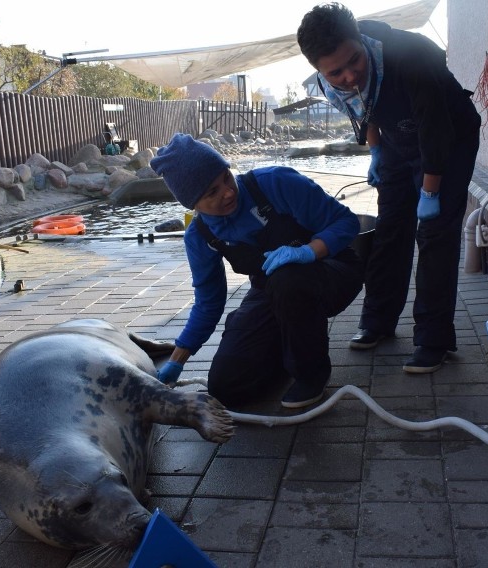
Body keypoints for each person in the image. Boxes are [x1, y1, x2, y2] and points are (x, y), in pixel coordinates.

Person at [297, 2, 481, 374]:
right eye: (336, 72)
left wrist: (430, 194)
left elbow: (436, 131)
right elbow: (366, 109)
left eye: (354, 61)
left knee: (434, 234)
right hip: (398, 142)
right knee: (391, 227)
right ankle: (378, 320)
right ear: (319, 70)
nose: (349, 75)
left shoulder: (411, 56)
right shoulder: (326, 81)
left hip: (450, 137)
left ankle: (433, 339)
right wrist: (377, 152)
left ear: (361, 41)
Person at [149, 133, 364, 409]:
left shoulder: (276, 182)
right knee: (226, 387)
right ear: (193, 204)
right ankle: (283, 351)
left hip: (332, 270)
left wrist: (307, 251)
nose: (227, 192)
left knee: (288, 280)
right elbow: (208, 304)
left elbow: (345, 222)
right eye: (212, 192)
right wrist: (176, 362)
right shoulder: (199, 236)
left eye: (225, 177)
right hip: (270, 291)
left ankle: (311, 375)